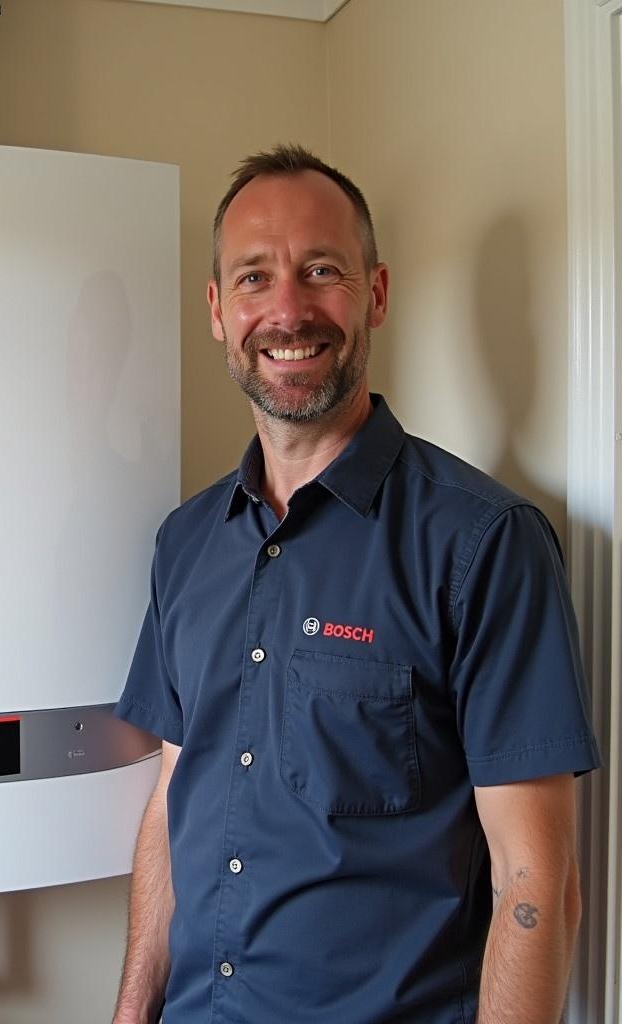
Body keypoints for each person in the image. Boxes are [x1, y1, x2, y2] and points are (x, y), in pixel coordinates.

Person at [111, 144, 600, 1024]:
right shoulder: (185, 544)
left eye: (321, 269)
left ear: (374, 292)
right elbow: (169, 808)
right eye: (255, 278)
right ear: (219, 312)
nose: (288, 308)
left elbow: (540, 884)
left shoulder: (484, 545)